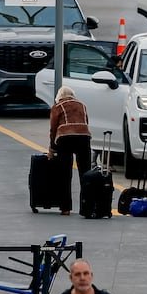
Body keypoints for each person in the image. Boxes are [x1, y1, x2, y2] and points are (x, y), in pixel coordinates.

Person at [50, 85, 92, 216]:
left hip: (65, 138)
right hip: (84, 137)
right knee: (85, 173)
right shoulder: (82, 105)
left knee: (65, 173)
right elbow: (86, 122)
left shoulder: (57, 107)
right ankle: (87, 207)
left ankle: (65, 208)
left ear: (59, 97)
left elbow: (53, 128)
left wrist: (52, 147)